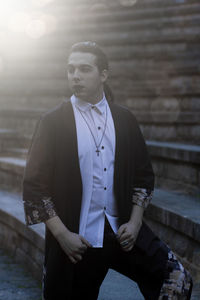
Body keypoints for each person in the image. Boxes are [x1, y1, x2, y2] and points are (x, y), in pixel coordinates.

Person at [23, 41, 193, 300]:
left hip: (123, 232)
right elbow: (35, 187)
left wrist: (135, 223)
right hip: (76, 241)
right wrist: (63, 235)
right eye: (71, 69)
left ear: (103, 75)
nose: (75, 76)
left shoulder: (124, 119)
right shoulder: (52, 122)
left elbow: (143, 176)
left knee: (177, 279)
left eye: (84, 69)